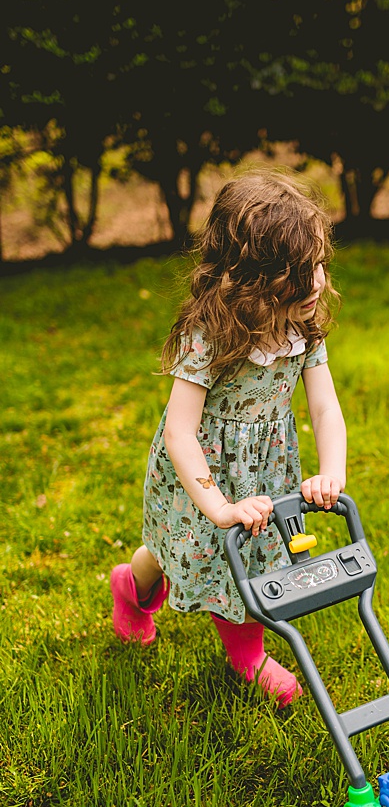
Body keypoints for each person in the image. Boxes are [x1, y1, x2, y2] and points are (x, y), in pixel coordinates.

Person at [109, 169, 347, 706]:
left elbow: (325, 405)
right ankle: (132, 584)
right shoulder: (211, 336)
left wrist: (332, 470)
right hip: (201, 475)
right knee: (177, 554)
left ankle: (247, 653)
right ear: (252, 276)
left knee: (255, 559)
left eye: (319, 265)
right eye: (298, 271)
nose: (315, 283)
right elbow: (180, 430)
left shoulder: (303, 329)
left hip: (265, 468)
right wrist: (216, 505)